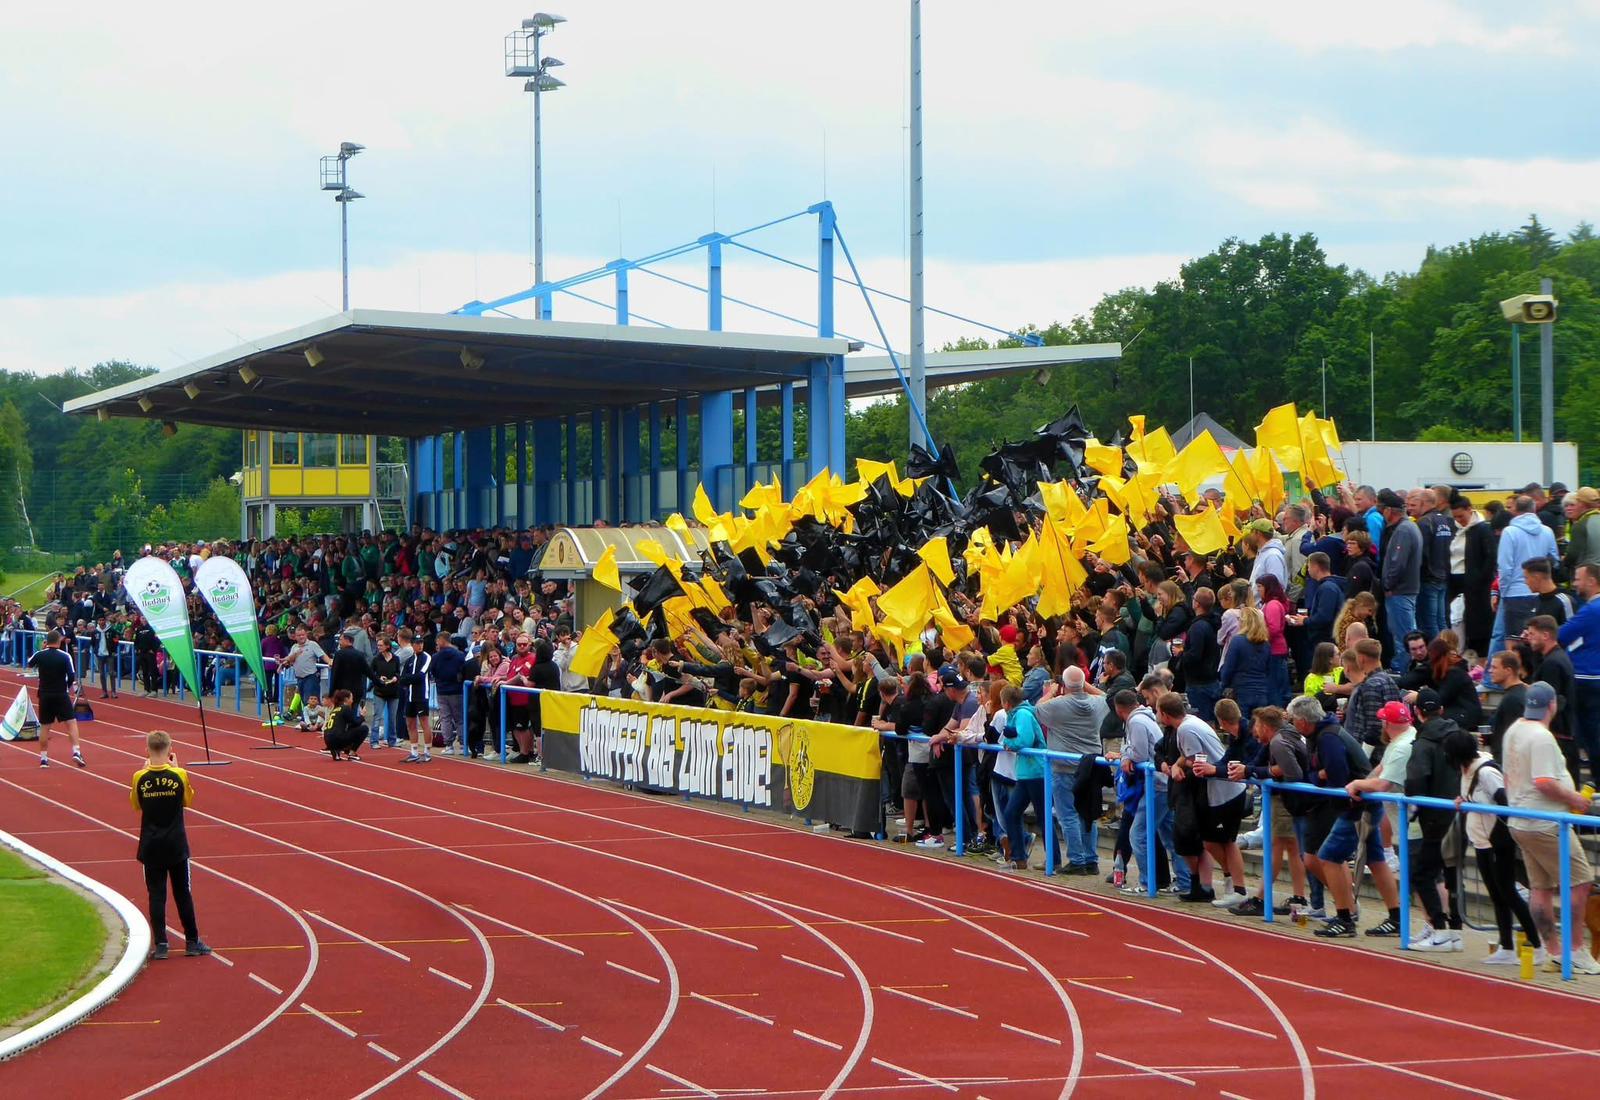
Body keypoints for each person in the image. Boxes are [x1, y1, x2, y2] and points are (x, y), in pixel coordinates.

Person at [1502, 682, 1600, 974]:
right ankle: (1574, 950)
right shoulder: (1541, 737)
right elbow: (1543, 781)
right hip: (1546, 822)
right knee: (1580, 881)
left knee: (1540, 887)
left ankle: (1552, 949)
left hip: (1521, 818)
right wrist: (1575, 799)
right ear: (1552, 706)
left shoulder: (1514, 730)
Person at [1445, 727, 1542, 966]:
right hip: (1480, 840)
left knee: (1508, 892)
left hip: (1497, 842)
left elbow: (1504, 804)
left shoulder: (1487, 772)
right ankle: (1506, 946)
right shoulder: (1464, 769)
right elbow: (1475, 798)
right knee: (1496, 894)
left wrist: (1497, 838)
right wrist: (1464, 801)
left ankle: (1537, 944)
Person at [1161, 692, 1249, 909]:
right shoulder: (1190, 723)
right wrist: (1176, 765)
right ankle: (1232, 883)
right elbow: (1189, 756)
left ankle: (1238, 888)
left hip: (1225, 791)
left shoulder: (1185, 729)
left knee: (1226, 841)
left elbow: (1196, 761)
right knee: (1211, 841)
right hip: (1218, 791)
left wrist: (1180, 766)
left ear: (1163, 714)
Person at [130, 729, 209, 960]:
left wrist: (146, 772)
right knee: (183, 893)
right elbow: (188, 800)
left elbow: (136, 804)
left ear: (147, 750)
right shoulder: (179, 775)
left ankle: (162, 944)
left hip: (151, 844)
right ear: (170, 750)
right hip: (176, 844)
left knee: (156, 894)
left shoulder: (139, 777)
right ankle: (192, 942)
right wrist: (176, 769)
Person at [1340, 700, 1415, 939]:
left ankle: (1432, 927)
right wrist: (1364, 785)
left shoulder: (1403, 746)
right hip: (1399, 816)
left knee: (1423, 876)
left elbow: (1383, 783)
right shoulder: (1401, 740)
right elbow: (1381, 770)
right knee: (1379, 860)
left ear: (1388, 723)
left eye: (1383, 719)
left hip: (1414, 819)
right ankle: (1397, 918)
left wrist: (1358, 784)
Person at [1230, 702, 1310, 917]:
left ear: (1265, 726)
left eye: (1256, 726)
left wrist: (1265, 771)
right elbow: (1261, 765)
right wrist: (1251, 770)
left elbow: (1292, 772)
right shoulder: (1281, 738)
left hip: (1286, 800)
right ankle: (1298, 897)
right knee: (1290, 848)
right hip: (1288, 800)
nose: (1254, 731)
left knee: (1279, 847)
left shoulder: (1279, 742)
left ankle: (1262, 899)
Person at [1403, 689, 1465, 951]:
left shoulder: (1423, 744)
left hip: (1435, 817)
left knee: (1422, 873)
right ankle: (1455, 932)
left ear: (1418, 713)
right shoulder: (1459, 737)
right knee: (1451, 873)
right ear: (1441, 709)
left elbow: (1415, 783)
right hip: (1460, 814)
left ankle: (1440, 929)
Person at [1117, 683, 1191, 895]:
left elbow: (1138, 754)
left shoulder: (1137, 722)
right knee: (1168, 834)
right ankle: (1184, 881)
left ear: (1119, 709)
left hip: (1157, 784)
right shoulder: (1144, 719)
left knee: (1138, 834)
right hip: (1162, 783)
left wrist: (1125, 754)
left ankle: (1147, 882)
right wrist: (1125, 754)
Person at [1034, 666, 1105, 874]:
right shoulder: (1097, 703)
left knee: (1069, 815)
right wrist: (1084, 685)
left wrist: (1052, 691)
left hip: (1064, 766)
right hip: (1090, 766)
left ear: (1064, 685)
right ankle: (1091, 859)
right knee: (1088, 813)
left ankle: (1077, 859)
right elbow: (1107, 696)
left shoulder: (1057, 705)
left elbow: (1037, 709)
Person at [1491, 496, 1559, 656]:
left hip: (1513, 591)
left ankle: (1494, 678)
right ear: (1534, 509)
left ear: (1514, 510)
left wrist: (1503, 591)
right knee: (1534, 639)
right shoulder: (1547, 531)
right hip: (1539, 592)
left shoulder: (1510, 532)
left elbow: (1505, 567)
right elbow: (1554, 560)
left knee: (1509, 640)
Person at [1525, 615, 1581, 783]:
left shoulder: (1552, 664)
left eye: (1532, 634)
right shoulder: (1556, 658)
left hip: (1560, 736)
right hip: (1565, 734)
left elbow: (1551, 701)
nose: (1529, 638)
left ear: (1546, 635)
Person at [998, 685, 1047, 871]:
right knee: (1011, 812)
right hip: (1026, 773)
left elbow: (1024, 741)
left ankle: (1054, 859)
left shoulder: (1023, 715)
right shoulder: (1017, 715)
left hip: (1036, 772)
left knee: (1043, 817)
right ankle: (1019, 858)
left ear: (1007, 703)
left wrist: (1009, 743)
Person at [1561, 562, 1600, 786]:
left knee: (1588, 732)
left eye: (1577, 578)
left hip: (1586, 678)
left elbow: (1562, 635)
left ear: (1592, 581)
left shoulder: (1591, 610)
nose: (1574, 583)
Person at [1378, 489, 1422, 668]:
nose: (1381, 514)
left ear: (1389, 510)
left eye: (1382, 510)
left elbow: (1397, 563)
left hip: (1400, 592)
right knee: (1406, 634)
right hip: (1405, 590)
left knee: (1403, 637)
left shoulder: (1403, 530)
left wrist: (1387, 585)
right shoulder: (1410, 526)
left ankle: (1403, 673)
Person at [29, 629, 84, 769]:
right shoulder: (65, 656)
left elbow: (29, 663)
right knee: (71, 723)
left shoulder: (40, 655)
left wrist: (42, 649)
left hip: (45, 694)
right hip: (60, 693)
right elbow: (72, 675)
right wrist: (66, 686)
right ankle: (76, 751)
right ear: (59, 641)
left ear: (46, 641)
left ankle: (44, 759)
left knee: (45, 727)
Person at [1451, 493, 1496, 658]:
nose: (1459, 520)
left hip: (1476, 586)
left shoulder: (1482, 529)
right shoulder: (1455, 529)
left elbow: (1490, 558)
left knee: (1477, 627)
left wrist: (1479, 580)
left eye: (1461, 516)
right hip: (1456, 582)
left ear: (1470, 510)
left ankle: (1478, 658)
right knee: (1457, 622)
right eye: (1455, 517)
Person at [1219, 606, 1273, 727]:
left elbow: (1228, 668)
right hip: (1261, 691)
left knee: (1242, 728)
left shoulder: (1237, 641)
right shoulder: (1266, 644)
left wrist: (1223, 685)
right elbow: (1269, 670)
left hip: (1241, 690)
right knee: (1260, 727)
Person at [398, 629, 433, 764]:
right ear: (412, 644)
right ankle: (414, 752)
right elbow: (403, 677)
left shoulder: (427, 657)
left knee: (424, 722)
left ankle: (427, 752)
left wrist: (408, 679)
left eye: (421, 643)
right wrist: (407, 679)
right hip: (410, 696)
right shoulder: (410, 660)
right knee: (410, 723)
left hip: (421, 695)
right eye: (417, 643)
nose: (420, 645)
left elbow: (420, 676)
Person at [1487, 649, 1529, 759]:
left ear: (1508, 670)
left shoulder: (1512, 699)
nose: (1490, 671)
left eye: (1494, 667)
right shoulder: (1517, 693)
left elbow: (1512, 737)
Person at [430, 633, 467, 754]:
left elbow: (433, 671)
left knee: (445, 718)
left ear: (441, 640)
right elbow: (463, 670)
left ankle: (449, 746)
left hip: (442, 690)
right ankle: (463, 745)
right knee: (460, 719)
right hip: (457, 690)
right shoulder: (460, 655)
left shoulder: (436, 657)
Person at [367, 636, 402, 750]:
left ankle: (392, 740)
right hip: (380, 691)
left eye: (381, 645)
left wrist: (396, 678)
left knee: (392, 718)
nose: (379, 647)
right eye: (378, 645)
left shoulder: (395, 659)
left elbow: (397, 672)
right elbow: (371, 674)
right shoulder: (376, 659)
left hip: (393, 691)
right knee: (377, 716)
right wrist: (378, 678)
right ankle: (374, 741)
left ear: (387, 646)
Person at [322, 689, 368, 761]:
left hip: (327, 740)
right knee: (364, 729)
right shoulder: (345, 708)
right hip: (337, 738)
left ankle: (336, 749)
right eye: (351, 698)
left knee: (348, 729)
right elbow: (356, 722)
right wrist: (362, 716)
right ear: (346, 699)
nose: (352, 701)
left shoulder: (336, 709)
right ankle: (352, 753)